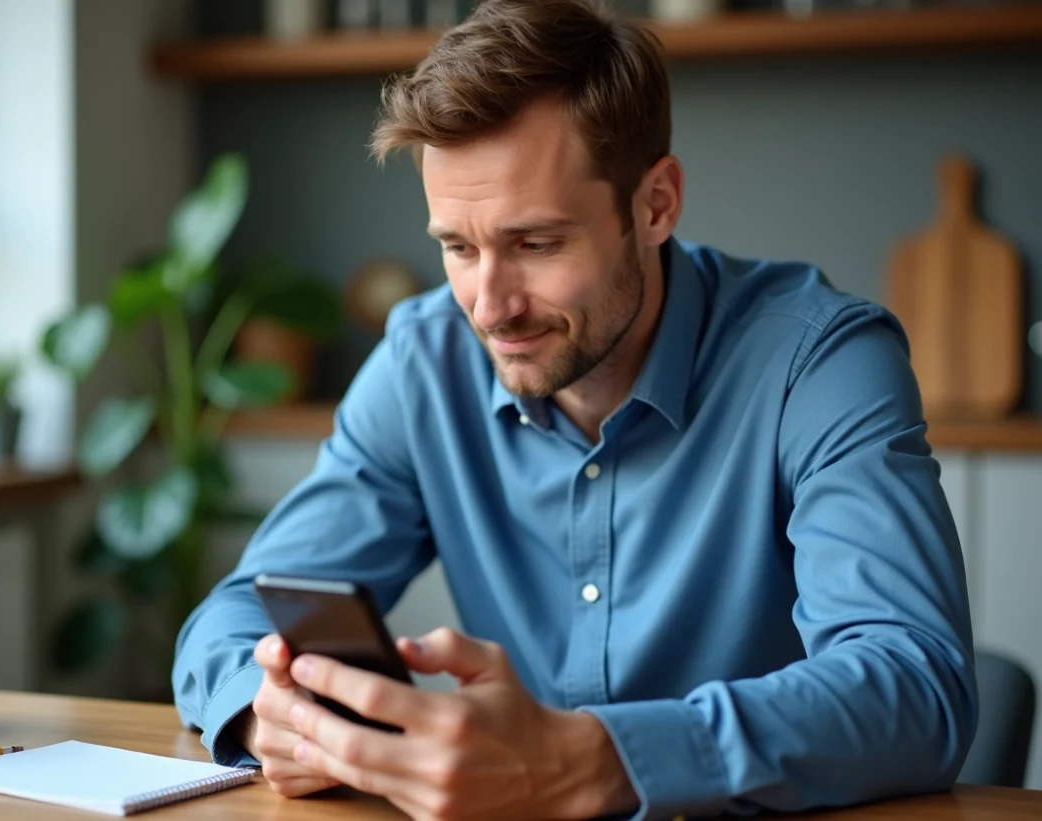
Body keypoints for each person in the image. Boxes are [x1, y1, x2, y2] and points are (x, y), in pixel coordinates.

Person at [172, 1, 977, 818]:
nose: (489, 305)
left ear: (655, 204)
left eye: (537, 243)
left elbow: (916, 686)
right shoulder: (424, 362)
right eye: (457, 246)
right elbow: (242, 611)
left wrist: (593, 760)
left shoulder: (821, 362)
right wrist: (270, 711)